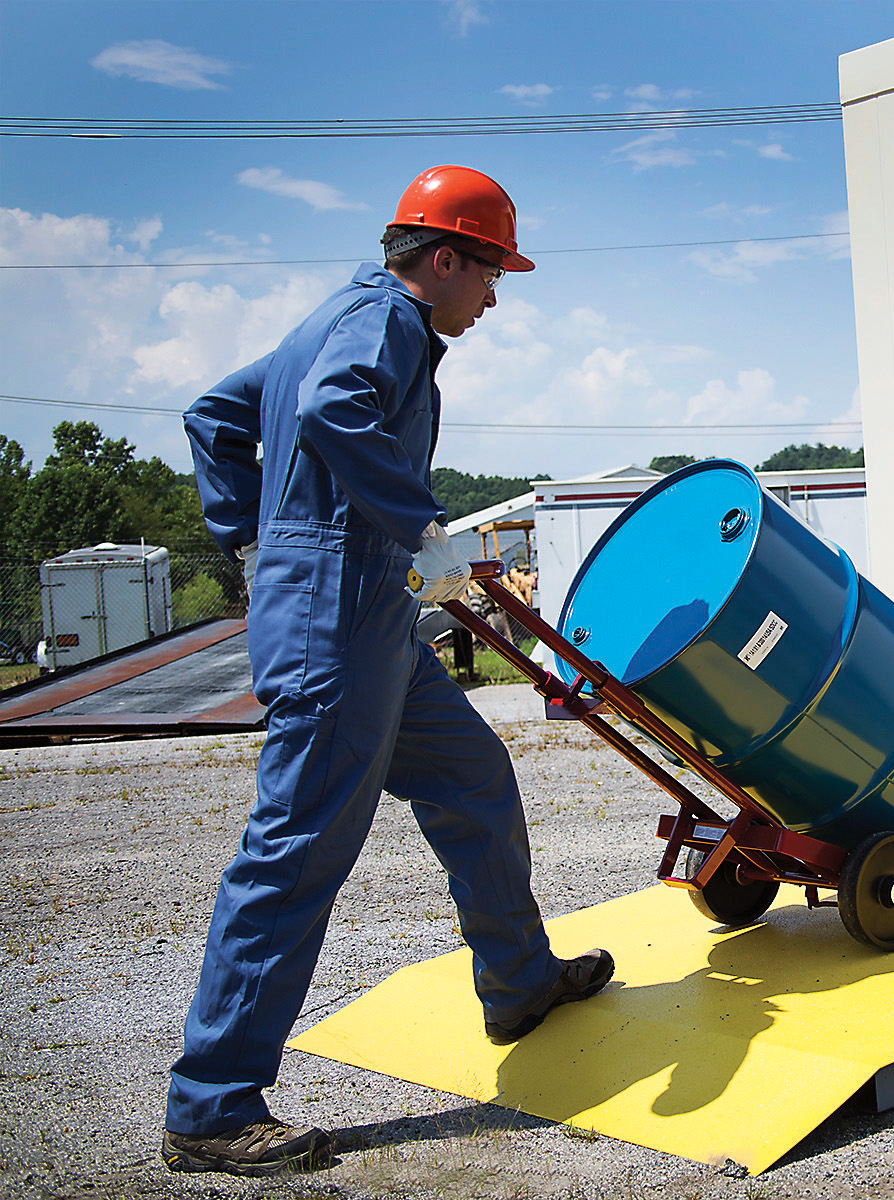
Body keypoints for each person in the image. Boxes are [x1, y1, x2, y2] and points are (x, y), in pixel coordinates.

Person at [166, 165, 613, 1178]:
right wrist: (419, 527)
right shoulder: (388, 324)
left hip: (360, 611)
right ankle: (210, 1104)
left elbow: (210, 417)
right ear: (443, 259)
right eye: (491, 274)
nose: (494, 299)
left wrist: (249, 540)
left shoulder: (320, 323)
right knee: (298, 850)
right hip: (335, 617)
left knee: (472, 777)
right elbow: (332, 413)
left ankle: (520, 981)